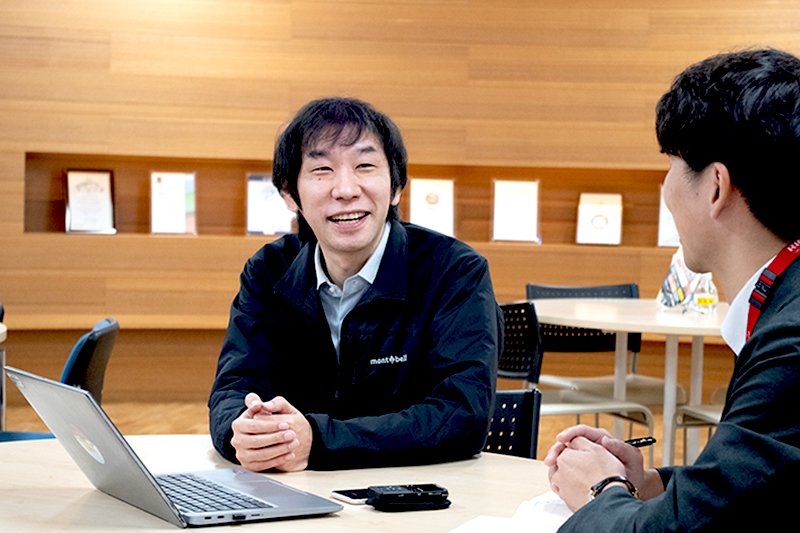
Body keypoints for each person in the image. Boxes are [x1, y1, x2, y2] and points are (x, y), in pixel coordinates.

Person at [545, 48, 800, 530]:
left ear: (716, 187)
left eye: (671, 164)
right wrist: (655, 486)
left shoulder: (789, 342)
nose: (665, 187)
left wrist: (602, 493)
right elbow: (765, 485)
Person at [208, 97, 501, 472]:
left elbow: (463, 413)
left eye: (365, 166)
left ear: (396, 187)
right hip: (295, 497)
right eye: (322, 170)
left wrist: (318, 440)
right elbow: (233, 388)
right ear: (288, 194)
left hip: (418, 500)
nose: (346, 189)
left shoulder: (453, 271)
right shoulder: (268, 271)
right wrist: (243, 433)